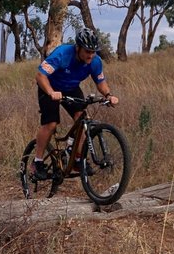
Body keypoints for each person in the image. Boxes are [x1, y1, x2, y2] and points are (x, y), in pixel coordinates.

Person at [32, 28, 119, 180]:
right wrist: (51, 92)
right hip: (49, 86)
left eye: (93, 51)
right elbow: (40, 75)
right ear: (77, 48)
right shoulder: (62, 54)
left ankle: (77, 159)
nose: (90, 55)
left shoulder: (95, 61)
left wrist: (108, 95)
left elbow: (100, 82)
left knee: (83, 120)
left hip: (71, 88)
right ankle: (37, 162)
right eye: (87, 51)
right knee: (51, 124)